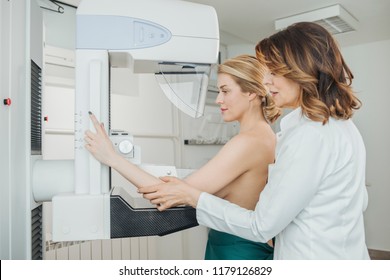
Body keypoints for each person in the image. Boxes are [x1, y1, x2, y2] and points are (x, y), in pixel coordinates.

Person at [139, 22, 370, 260]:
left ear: (302, 70)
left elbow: (261, 226)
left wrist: (193, 197)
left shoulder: (310, 135)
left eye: (274, 72)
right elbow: (358, 201)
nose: (267, 82)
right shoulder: (342, 128)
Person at [85, 54, 281, 260]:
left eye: (225, 91)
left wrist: (113, 159)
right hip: (249, 246)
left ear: (251, 93)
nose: (218, 99)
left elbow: (168, 195)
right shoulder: (266, 135)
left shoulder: (246, 142)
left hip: (237, 251)